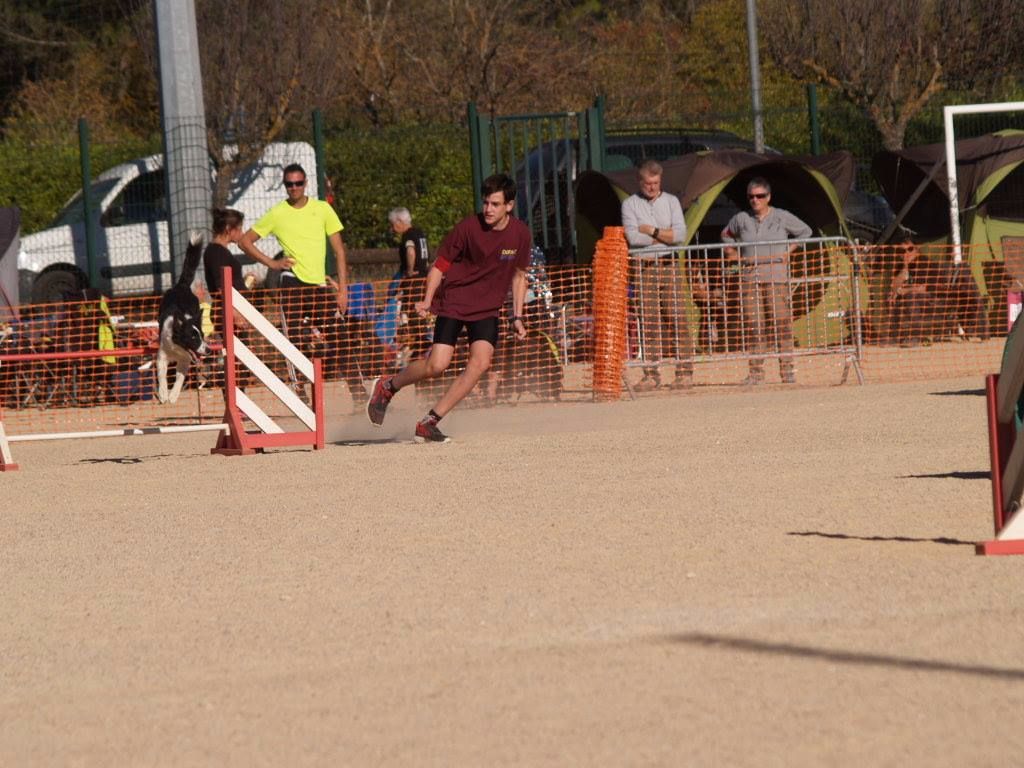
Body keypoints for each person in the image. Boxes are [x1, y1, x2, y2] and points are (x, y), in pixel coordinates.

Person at [366, 174, 531, 443]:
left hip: (487, 308)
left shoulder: (520, 234)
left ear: (509, 206)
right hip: (455, 301)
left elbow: (519, 276)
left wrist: (517, 316)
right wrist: (428, 300)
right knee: (437, 364)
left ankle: (429, 422)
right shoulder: (467, 228)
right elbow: (440, 266)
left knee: (481, 363)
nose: (488, 209)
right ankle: (388, 386)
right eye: (486, 202)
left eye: (495, 204)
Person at [237, 164, 360, 399]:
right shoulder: (277, 213)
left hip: (318, 284)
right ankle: (298, 390)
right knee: (293, 336)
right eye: (289, 184)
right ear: (285, 186)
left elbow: (340, 252)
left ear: (305, 184)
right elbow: (245, 241)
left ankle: (359, 392)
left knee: (339, 334)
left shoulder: (322, 209)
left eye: (298, 183)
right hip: (291, 281)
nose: (293, 188)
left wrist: (343, 290)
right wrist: (271, 264)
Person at [722, 177, 812, 385]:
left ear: (768, 197)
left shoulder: (782, 217)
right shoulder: (740, 218)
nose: (756, 200)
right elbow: (726, 234)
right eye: (751, 196)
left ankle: (787, 370)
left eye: (760, 196)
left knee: (782, 325)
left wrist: (789, 251)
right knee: (755, 326)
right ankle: (756, 373)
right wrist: (732, 253)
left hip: (776, 279)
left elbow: (806, 232)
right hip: (749, 279)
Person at [620, 160, 694, 391]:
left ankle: (685, 372)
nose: (652, 187)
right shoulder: (630, 204)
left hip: (669, 266)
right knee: (649, 322)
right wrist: (664, 236)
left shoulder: (672, 202)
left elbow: (681, 235)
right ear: (639, 181)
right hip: (644, 268)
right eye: (648, 183)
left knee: (677, 318)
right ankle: (651, 373)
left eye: (656, 183)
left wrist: (650, 230)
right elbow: (633, 238)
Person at [388, 207, 429, 279]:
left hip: (412, 280)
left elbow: (410, 252)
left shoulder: (407, 235)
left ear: (399, 221)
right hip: (423, 276)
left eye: (392, 225)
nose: (391, 229)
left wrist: (410, 271)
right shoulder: (420, 233)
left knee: (392, 289)